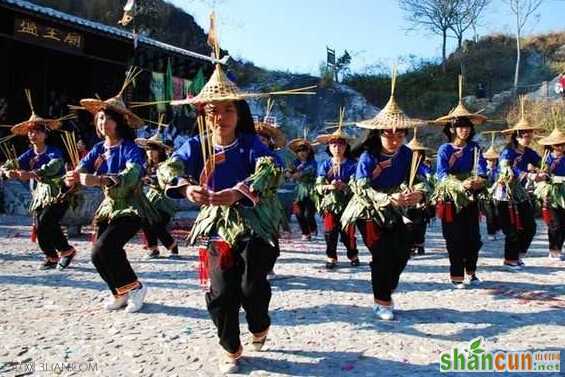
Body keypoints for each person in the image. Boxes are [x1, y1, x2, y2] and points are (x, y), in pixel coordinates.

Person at [165, 53, 311, 373]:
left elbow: (269, 168)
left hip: (252, 220)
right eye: (213, 110)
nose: (221, 116)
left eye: (228, 109)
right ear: (203, 114)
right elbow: (168, 169)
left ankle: (260, 323)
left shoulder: (250, 144)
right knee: (219, 292)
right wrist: (187, 187)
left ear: (238, 111)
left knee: (250, 286)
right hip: (215, 225)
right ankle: (230, 347)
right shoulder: (195, 146)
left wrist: (238, 191)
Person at [65, 68, 158, 313]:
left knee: (106, 247)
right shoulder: (98, 149)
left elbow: (133, 173)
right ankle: (120, 291)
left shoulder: (131, 148)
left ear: (119, 122)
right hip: (109, 207)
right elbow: (80, 169)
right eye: (99, 118)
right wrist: (72, 177)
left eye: (107, 118)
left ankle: (136, 287)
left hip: (131, 205)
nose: (102, 122)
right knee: (98, 254)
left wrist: (101, 180)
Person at [342, 70, 428, 320]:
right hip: (369, 210)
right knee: (382, 254)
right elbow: (361, 186)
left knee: (401, 254)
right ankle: (382, 301)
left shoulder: (410, 156)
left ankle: (385, 287)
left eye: (399, 133)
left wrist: (418, 195)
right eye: (388, 133)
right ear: (378, 133)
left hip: (398, 209)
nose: (393, 138)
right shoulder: (368, 156)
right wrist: (386, 199)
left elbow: (424, 181)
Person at [0, 91, 76, 270]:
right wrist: (6, 171)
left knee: (46, 222)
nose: (33, 135)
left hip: (59, 192)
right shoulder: (29, 154)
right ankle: (51, 256)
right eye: (30, 132)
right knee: (41, 224)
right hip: (41, 195)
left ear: (45, 134)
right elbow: (12, 164)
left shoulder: (53, 151)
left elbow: (55, 166)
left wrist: (32, 174)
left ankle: (66, 250)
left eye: (36, 132)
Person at [433, 75, 488, 289]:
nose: (464, 129)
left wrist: (480, 181)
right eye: (460, 126)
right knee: (454, 238)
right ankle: (456, 274)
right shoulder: (444, 150)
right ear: (452, 128)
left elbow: (483, 170)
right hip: (451, 199)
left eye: (467, 126)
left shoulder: (475, 148)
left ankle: (471, 271)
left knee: (474, 238)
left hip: (472, 198)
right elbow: (441, 175)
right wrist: (459, 185)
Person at [496, 108, 542, 269]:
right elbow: (506, 168)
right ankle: (510, 259)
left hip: (521, 194)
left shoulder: (529, 152)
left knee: (530, 226)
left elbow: (542, 163)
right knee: (511, 229)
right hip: (505, 194)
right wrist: (527, 175)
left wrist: (542, 170)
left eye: (530, 136)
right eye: (525, 136)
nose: (529, 139)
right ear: (517, 136)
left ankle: (518, 254)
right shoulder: (507, 152)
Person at [314, 121, 358, 269]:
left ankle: (353, 254)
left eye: (340, 145)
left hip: (348, 204)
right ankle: (331, 256)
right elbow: (318, 185)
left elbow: (357, 185)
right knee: (329, 231)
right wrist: (329, 186)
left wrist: (345, 186)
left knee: (348, 232)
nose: (337, 148)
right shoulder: (325, 165)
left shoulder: (353, 165)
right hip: (330, 203)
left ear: (346, 147)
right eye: (334, 145)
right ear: (329, 147)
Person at [135, 129, 179, 259]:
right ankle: (153, 249)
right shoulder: (145, 167)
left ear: (160, 150)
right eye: (148, 149)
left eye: (153, 149)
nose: (150, 152)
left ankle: (172, 245)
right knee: (144, 220)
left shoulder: (167, 165)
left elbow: (171, 180)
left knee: (156, 224)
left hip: (164, 201)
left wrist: (155, 181)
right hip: (150, 201)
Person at [534, 127, 565, 261]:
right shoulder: (546, 159)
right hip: (552, 191)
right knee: (555, 222)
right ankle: (553, 249)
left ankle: (559, 247)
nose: (561, 147)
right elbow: (543, 173)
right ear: (552, 145)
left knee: (564, 222)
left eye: (563, 144)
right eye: (557, 144)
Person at [405, 128, 433, 256]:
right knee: (408, 222)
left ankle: (420, 244)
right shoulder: (403, 167)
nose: (415, 156)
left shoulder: (425, 169)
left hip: (421, 200)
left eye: (418, 154)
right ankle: (409, 245)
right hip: (406, 198)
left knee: (420, 224)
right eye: (412, 153)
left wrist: (424, 193)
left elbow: (430, 184)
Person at [287, 137, 318, 240]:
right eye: (299, 151)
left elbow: (305, 172)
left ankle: (312, 227)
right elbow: (288, 173)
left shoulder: (312, 163)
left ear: (309, 152)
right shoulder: (294, 163)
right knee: (298, 212)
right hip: (297, 191)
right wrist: (289, 173)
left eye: (304, 150)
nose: (302, 153)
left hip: (311, 190)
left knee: (309, 213)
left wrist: (295, 174)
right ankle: (305, 232)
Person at [482, 144, 500, 241]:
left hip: (497, 195)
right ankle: (491, 232)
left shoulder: (499, 171)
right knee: (490, 214)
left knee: (498, 213)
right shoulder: (483, 171)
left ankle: (496, 228)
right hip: (486, 195)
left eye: (494, 160)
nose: (492, 162)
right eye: (490, 160)